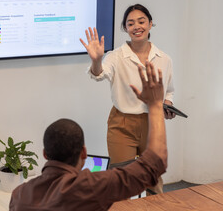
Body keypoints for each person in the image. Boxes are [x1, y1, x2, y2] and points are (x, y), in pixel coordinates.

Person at [10, 62, 168, 211]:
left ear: (45, 154)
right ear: (83, 153)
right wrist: (155, 105)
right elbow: (155, 163)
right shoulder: (90, 188)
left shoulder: (19, 195)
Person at [79, 3, 175, 194]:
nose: (136, 26)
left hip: (152, 122)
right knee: (121, 180)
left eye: (141, 21)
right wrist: (96, 60)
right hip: (122, 125)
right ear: (125, 28)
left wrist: (168, 104)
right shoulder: (116, 56)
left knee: (153, 178)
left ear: (150, 24)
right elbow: (98, 74)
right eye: (130, 23)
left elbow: (169, 91)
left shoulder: (164, 58)